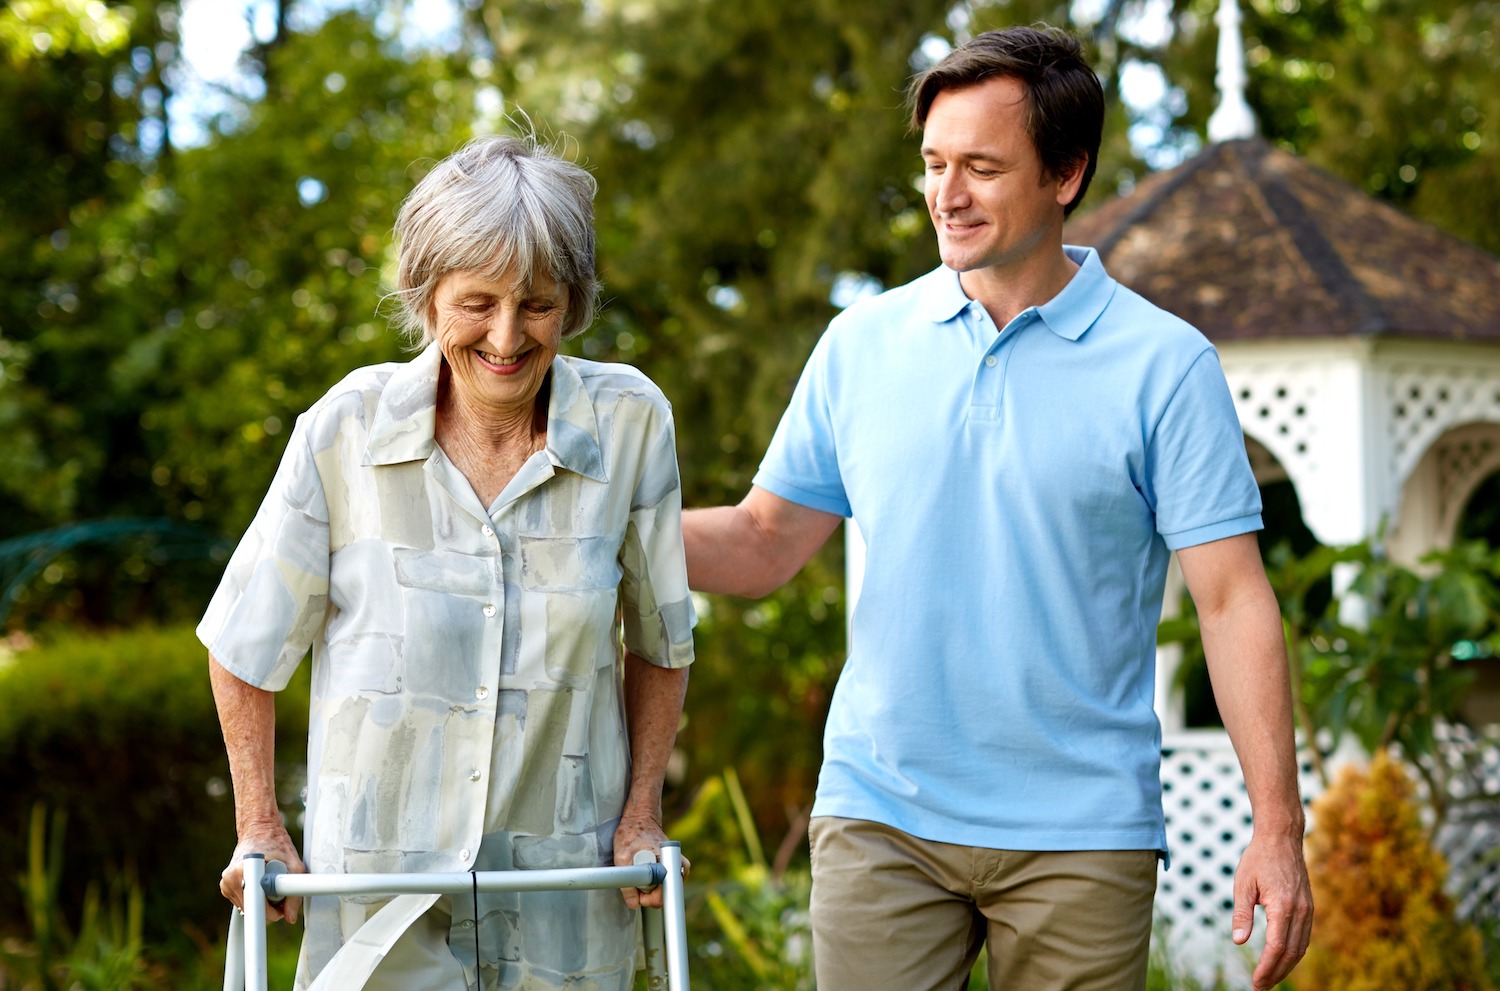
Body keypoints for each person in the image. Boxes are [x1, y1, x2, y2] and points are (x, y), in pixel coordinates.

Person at [683, 25, 1312, 991]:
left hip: (1081, 832)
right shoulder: (862, 344)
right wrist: (605, 528)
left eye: (981, 166)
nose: (946, 193)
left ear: (1065, 173)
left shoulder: (1165, 364)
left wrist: (1276, 825)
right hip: (881, 811)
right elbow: (765, 542)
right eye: (934, 163)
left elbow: (1231, 602)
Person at [202, 133, 695, 991]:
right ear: (427, 298)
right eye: (479, 302)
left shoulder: (629, 424)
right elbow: (246, 640)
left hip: (562, 903)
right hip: (378, 909)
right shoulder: (346, 430)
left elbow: (659, 639)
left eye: (538, 304)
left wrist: (642, 814)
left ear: (572, 304)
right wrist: (259, 824)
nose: (507, 336)